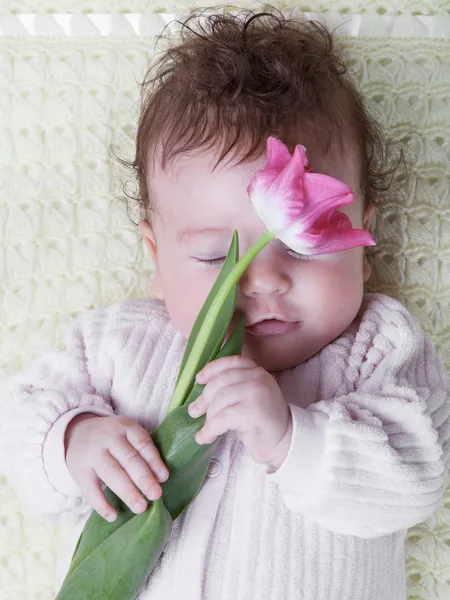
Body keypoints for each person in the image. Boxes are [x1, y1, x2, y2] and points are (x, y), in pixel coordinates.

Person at [1, 8, 449, 600]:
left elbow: (416, 475)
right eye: (218, 256)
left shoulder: (378, 346)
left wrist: (293, 436)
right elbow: (20, 422)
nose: (261, 281)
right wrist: (73, 439)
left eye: (302, 246)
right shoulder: (118, 343)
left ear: (362, 243)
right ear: (156, 256)